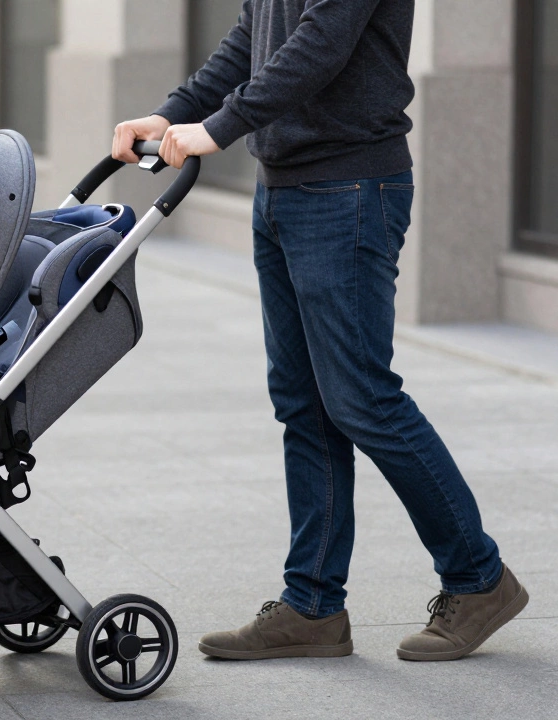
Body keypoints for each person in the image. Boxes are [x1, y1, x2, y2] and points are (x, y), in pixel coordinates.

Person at [113, 0, 528, 662]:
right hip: (282, 189)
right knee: (304, 404)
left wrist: (217, 128)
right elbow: (253, 37)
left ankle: (479, 579)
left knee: (362, 398)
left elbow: (319, 47)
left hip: (350, 188)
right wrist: (172, 112)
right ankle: (312, 607)